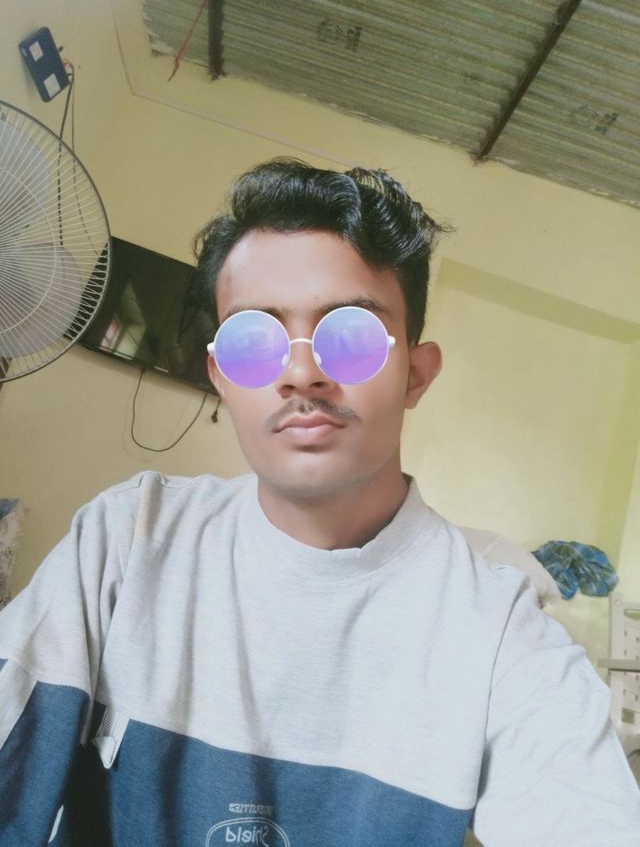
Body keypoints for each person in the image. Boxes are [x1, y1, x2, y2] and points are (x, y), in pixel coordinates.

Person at [1, 159, 638, 847]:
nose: (302, 372)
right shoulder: (129, 539)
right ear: (221, 376)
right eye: (255, 340)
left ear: (416, 374)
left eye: (352, 336)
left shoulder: (499, 631)